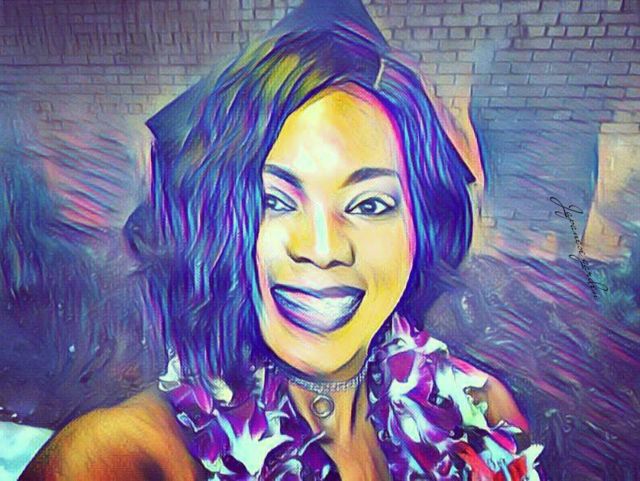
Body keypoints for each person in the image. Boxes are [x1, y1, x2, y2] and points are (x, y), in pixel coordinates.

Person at [21, 1, 543, 480]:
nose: (323, 249)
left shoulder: (483, 416)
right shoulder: (123, 459)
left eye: (369, 205)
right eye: (275, 199)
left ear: (419, 229)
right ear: (221, 224)